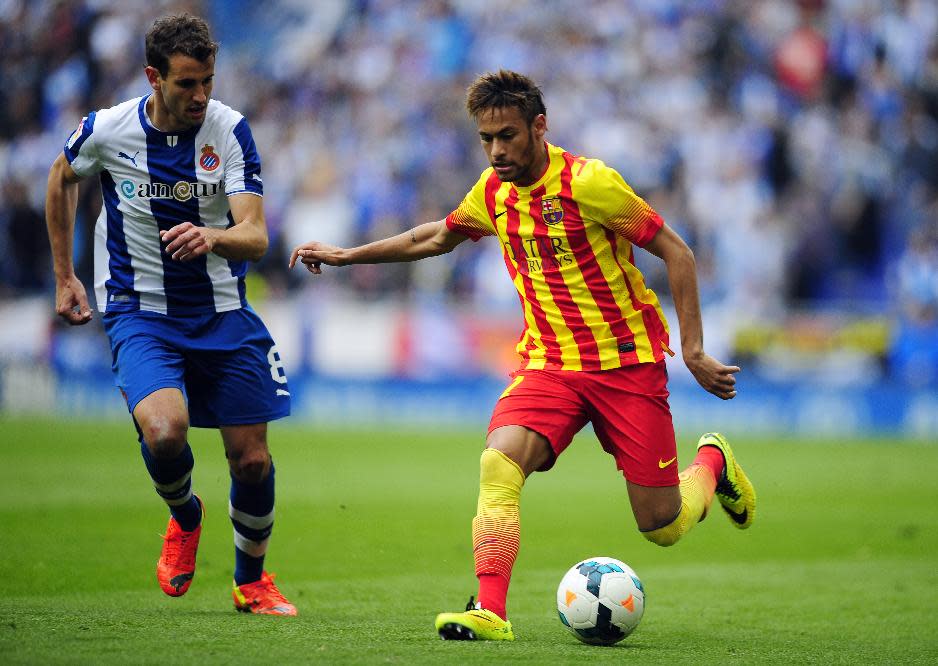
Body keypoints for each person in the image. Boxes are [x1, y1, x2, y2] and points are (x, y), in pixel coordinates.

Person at [289, 70, 756, 639]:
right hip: (550, 365)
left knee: (660, 525)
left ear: (539, 127)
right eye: (486, 139)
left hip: (626, 365)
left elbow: (675, 251)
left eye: (507, 135)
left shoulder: (591, 184)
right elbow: (433, 237)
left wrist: (695, 349)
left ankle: (712, 463)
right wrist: (345, 256)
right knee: (498, 462)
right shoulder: (492, 192)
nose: (496, 150)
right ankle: (490, 611)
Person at [45, 14, 296, 616]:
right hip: (140, 310)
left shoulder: (229, 130)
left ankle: (251, 582)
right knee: (164, 431)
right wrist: (64, 275)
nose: (200, 95)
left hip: (223, 311)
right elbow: (61, 180)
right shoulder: (108, 129)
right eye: (187, 83)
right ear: (153, 77)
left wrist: (214, 238)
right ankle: (186, 516)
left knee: (253, 458)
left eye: (208, 80)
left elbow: (256, 235)